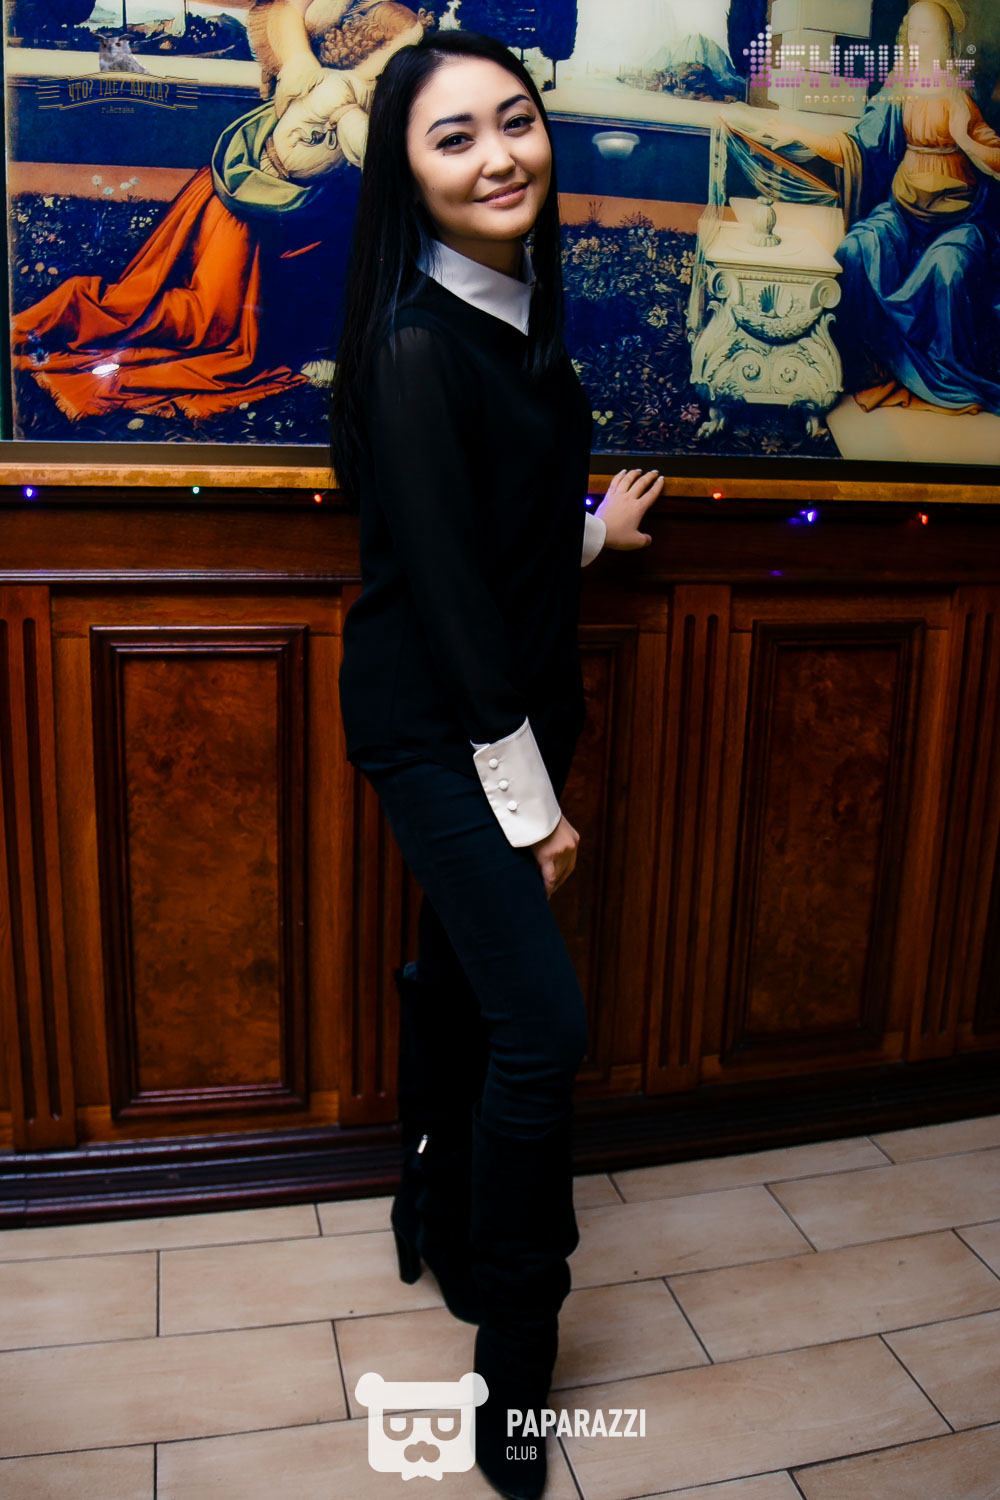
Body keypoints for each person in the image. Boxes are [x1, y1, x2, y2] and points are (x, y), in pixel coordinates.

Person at [328, 28, 661, 1500]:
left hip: (513, 704)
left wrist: (593, 535)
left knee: (465, 985)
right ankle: (514, 1369)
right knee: (542, 1026)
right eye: (452, 137)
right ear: (407, 175)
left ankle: (434, 1207)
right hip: (443, 724)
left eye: (513, 121)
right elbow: (452, 602)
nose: (497, 155)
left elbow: (491, 530)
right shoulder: (415, 339)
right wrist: (532, 810)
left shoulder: (520, 316)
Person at [729, 0, 1000, 416]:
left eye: (928, 33)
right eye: (913, 32)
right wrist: (799, 133)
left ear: (946, 41)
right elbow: (855, 145)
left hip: (959, 223)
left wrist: (964, 140)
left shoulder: (962, 95)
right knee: (858, 247)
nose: (918, 41)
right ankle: (862, 365)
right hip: (904, 214)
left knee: (948, 267)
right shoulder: (899, 90)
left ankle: (946, 379)